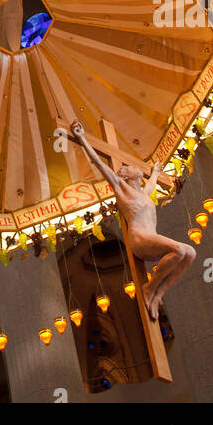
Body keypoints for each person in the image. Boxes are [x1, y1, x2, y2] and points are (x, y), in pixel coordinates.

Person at [69, 120, 195, 319]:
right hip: (140, 239)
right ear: (125, 175)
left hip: (150, 238)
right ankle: (149, 288)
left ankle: (158, 294)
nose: (132, 166)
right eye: (128, 167)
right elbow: (100, 164)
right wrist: (82, 137)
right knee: (179, 250)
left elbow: (151, 184)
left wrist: (155, 173)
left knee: (190, 253)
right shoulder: (121, 187)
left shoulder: (144, 193)